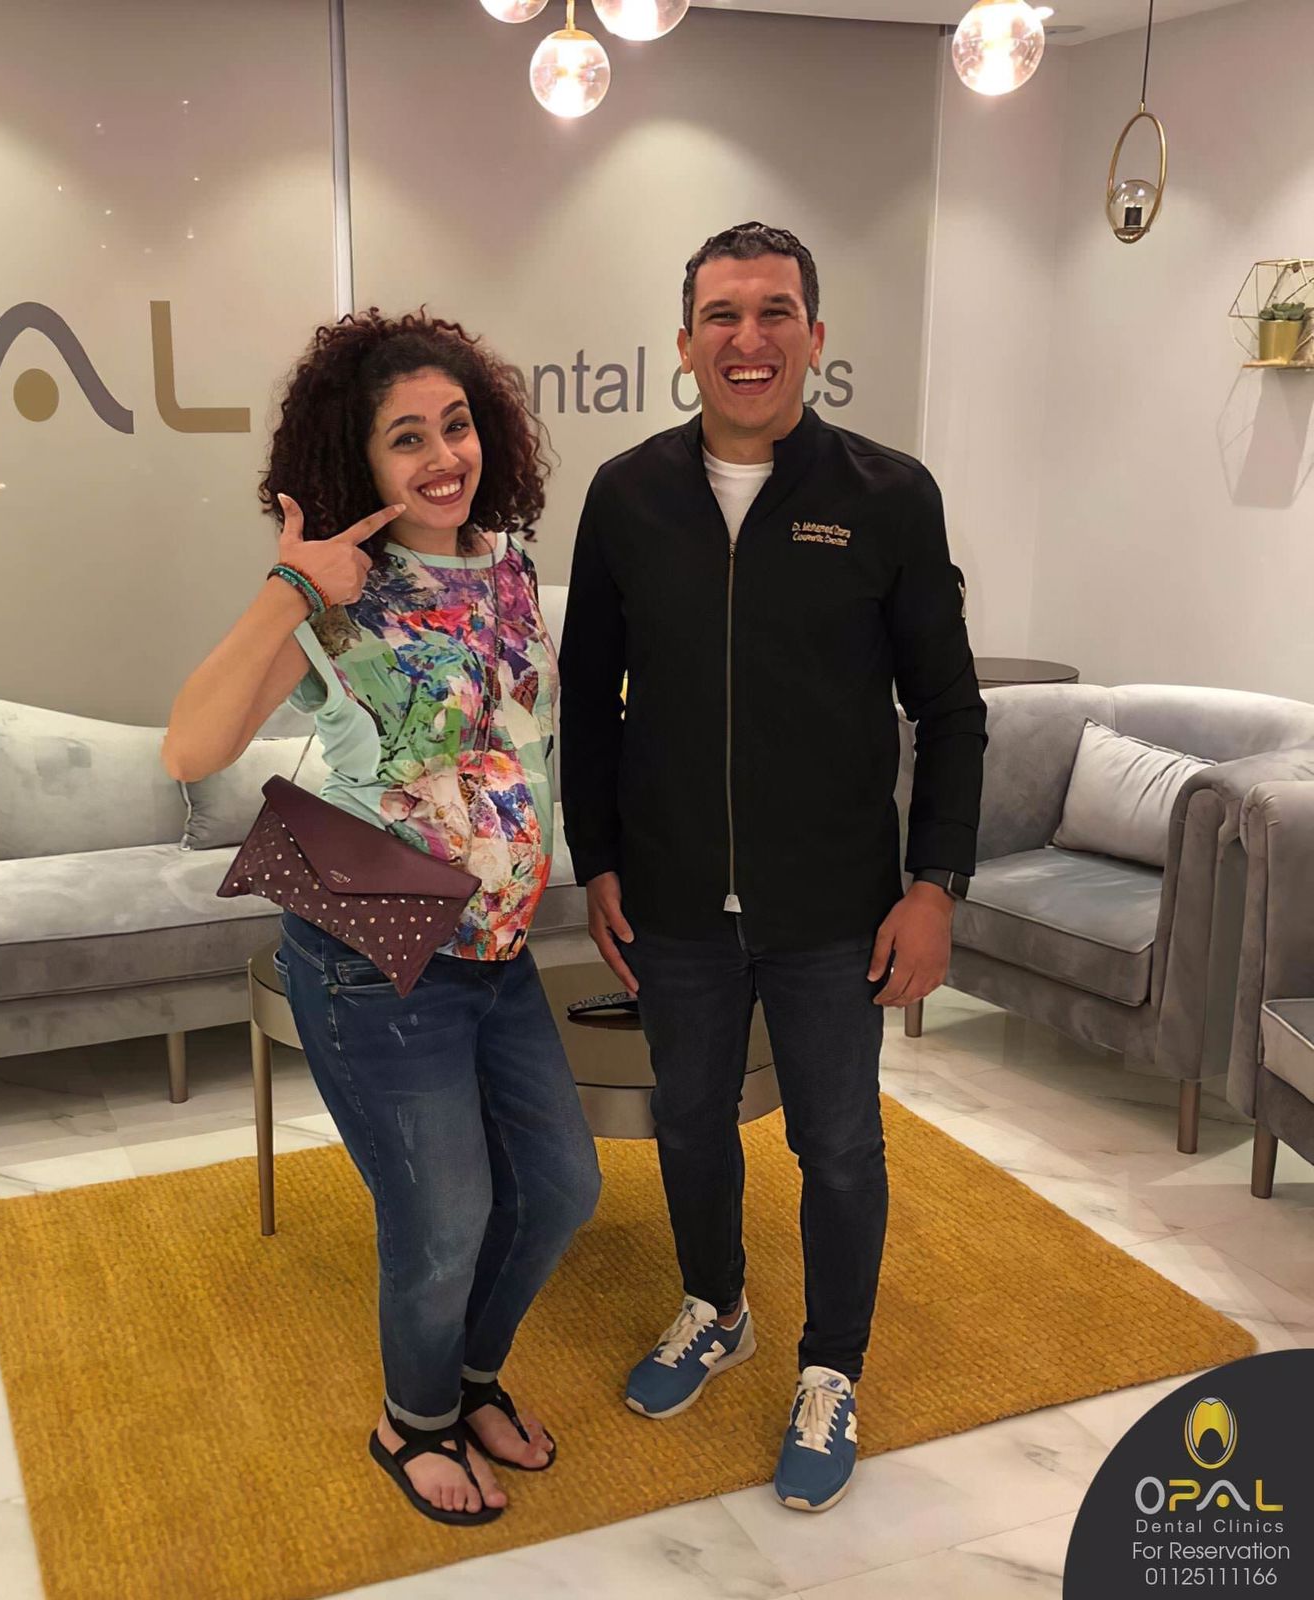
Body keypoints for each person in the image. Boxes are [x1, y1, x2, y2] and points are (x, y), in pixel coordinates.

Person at [560, 222, 986, 1513]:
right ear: (684, 340)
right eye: (723, 315)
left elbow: (950, 709)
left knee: (838, 1145)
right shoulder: (626, 495)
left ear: (814, 334)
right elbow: (589, 698)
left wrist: (934, 884)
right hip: (675, 895)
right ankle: (716, 1306)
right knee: (690, 1123)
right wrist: (598, 860)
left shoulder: (887, 494)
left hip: (834, 906)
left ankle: (830, 1367)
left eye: (774, 312)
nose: (748, 339)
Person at [163, 310, 600, 1527]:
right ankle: (411, 1422)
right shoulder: (334, 596)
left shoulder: (506, 563)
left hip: (497, 947)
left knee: (559, 1186)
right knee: (442, 1216)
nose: (442, 456)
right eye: (406, 438)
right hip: (377, 953)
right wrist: (292, 588)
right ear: (356, 463)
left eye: (455, 424)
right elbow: (190, 747)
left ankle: (471, 1379)